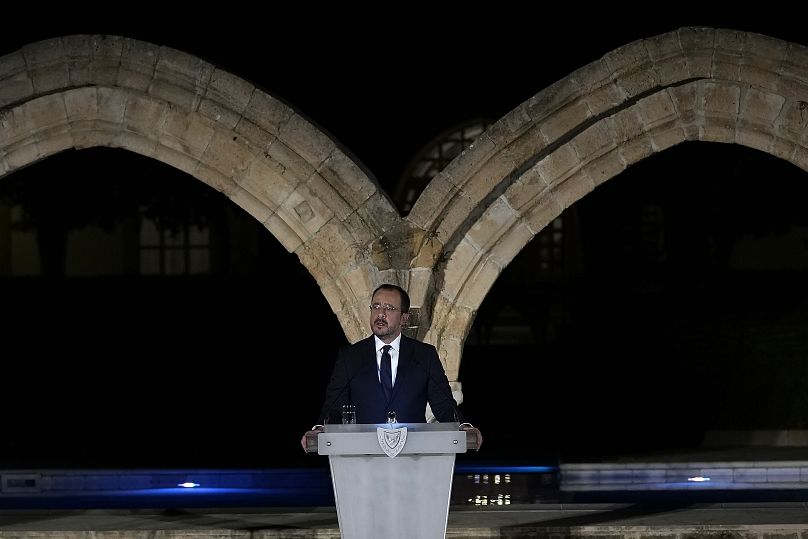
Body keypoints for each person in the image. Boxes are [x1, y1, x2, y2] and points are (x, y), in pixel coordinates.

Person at [301, 283, 480, 450]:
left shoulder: (424, 355)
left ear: (404, 318)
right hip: (362, 455)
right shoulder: (351, 357)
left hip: (413, 455)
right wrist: (320, 429)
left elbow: (443, 403)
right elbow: (334, 405)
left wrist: (463, 426)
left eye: (389, 308)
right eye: (376, 306)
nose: (381, 314)